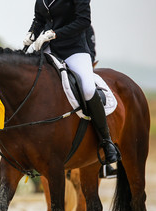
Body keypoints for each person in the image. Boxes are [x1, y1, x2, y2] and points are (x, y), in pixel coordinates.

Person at [23, 0, 118, 178]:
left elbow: (83, 21)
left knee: (88, 89)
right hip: (48, 49)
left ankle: (106, 142)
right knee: (30, 83)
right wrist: (32, 32)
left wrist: (53, 34)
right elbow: (39, 18)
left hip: (74, 49)